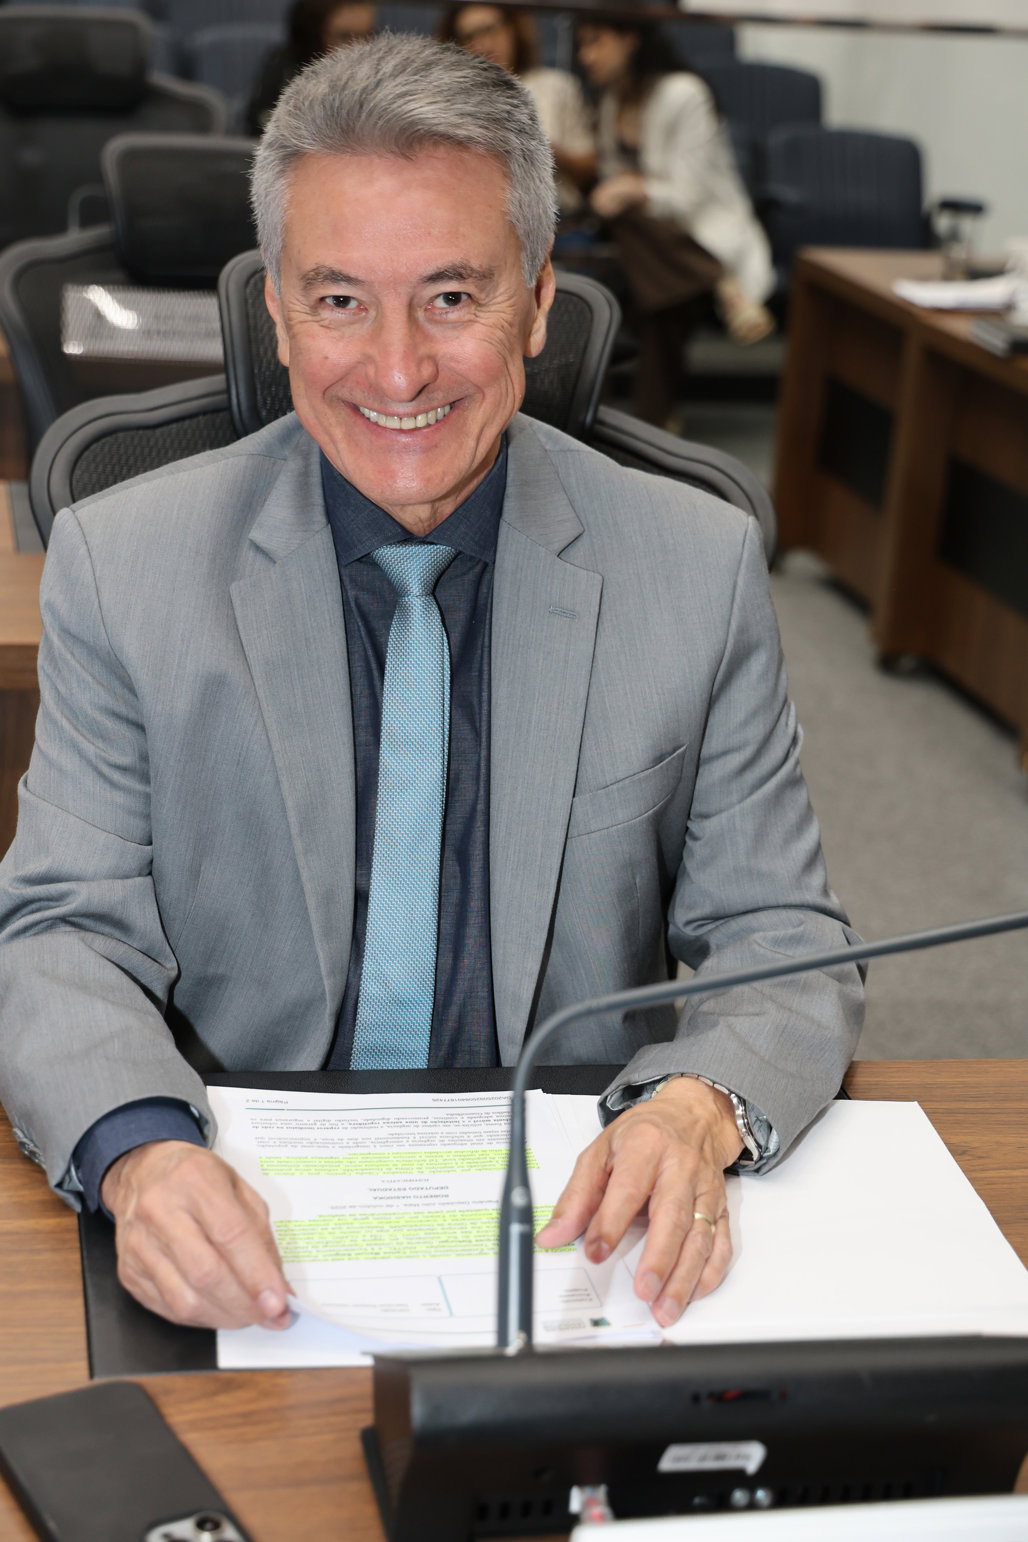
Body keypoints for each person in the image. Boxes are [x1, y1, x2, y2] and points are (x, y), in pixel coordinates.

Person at [0, 34, 862, 1337]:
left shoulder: (694, 566)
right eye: (341, 301)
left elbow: (782, 936)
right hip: (240, 1180)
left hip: (571, 1214)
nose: (398, 371)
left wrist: (698, 1103)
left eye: (451, 298)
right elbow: (61, 931)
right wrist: (138, 1149)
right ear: (277, 311)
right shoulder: (126, 564)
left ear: (537, 301)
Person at [578, 15, 775, 428]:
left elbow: (689, 196)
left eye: (596, 41)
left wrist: (635, 189)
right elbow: (614, 183)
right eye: (582, 45)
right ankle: (716, 280)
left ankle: (650, 421)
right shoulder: (611, 101)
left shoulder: (685, 93)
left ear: (630, 39)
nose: (586, 56)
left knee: (662, 300)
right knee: (632, 228)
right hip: (655, 250)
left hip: (698, 231)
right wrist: (627, 191)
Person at [438, 4, 595, 214]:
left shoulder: (554, 85)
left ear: (513, 28)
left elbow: (588, 170)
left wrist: (543, 149)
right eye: (470, 36)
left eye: (490, 29)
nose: (483, 44)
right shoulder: (450, 102)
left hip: (557, 215)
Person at [245, 0, 376, 136]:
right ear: (314, 37)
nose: (360, 47)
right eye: (345, 37)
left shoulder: (376, 76)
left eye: (368, 35)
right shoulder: (282, 73)